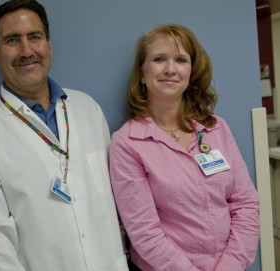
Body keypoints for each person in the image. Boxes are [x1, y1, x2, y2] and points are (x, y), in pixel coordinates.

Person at [0, 1, 128, 270]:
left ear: (49, 46)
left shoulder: (87, 108)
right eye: (12, 40)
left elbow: (116, 202)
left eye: (34, 37)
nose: (26, 51)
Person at [109, 24, 260, 271]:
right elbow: (145, 233)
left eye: (180, 60)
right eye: (159, 59)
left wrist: (231, 266)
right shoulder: (128, 143)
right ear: (143, 73)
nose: (170, 69)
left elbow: (246, 204)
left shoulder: (217, 128)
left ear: (191, 72)